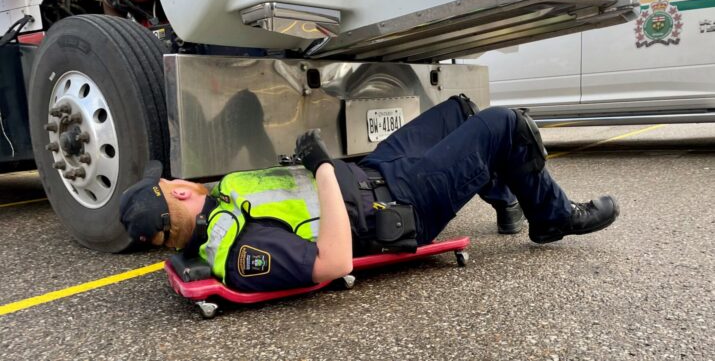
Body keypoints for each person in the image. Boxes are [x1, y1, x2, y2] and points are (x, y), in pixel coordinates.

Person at [120, 95, 619, 292]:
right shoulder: (240, 250)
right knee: (506, 124)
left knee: (461, 111)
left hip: (377, 173)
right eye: (169, 183)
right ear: (180, 195)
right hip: (399, 208)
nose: (177, 180)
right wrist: (322, 170)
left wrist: (318, 167)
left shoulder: (224, 200)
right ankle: (552, 217)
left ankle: (508, 200)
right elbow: (334, 261)